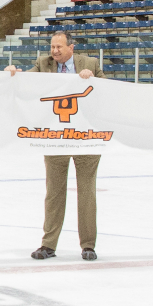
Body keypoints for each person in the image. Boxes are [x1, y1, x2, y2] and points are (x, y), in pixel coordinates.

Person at [9, 30, 99, 262]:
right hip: (55, 137)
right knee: (54, 193)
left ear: (72, 47)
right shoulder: (43, 64)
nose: (54, 51)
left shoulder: (90, 63)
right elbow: (25, 81)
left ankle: (88, 245)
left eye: (59, 47)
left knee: (86, 192)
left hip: (86, 139)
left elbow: (107, 93)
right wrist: (13, 74)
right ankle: (48, 245)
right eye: (52, 47)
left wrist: (94, 78)